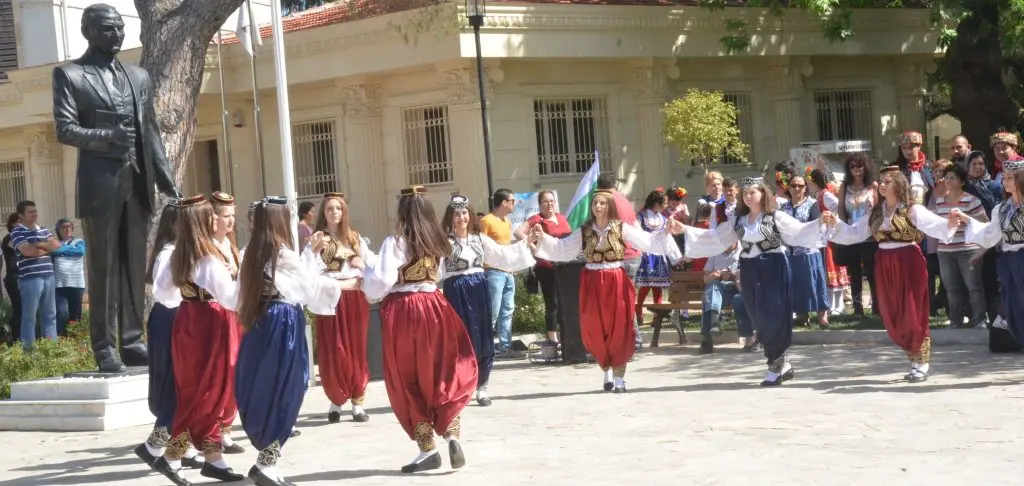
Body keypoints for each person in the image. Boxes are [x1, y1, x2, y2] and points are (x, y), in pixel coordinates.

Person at [52, 4, 180, 372]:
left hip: (137, 181)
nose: (118, 35)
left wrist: (165, 176)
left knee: (133, 264)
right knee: (104, 267)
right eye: (109, 29)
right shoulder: (70, 75)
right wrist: (108, 136)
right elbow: (65, 129)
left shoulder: (138, 76)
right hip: (100, 185)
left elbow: (150, 129)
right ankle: (104, 347)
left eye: (121, 28)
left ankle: (132, 340)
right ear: (88, 31)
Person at [362, 185, 478, 474]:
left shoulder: (396, 242)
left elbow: (381, 283)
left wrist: (365, 274)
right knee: (441, 371)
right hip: (435, 307)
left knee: (407, 378)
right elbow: (436, 276)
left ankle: (427, 447)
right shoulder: (437, 242)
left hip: (404, 311)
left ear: (402, 211)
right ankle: (452, 432)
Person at [234, 197, 343, 486]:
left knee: (267, 387)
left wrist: (309, 254)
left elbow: (238, 296)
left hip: (260, 322)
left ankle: (267, 460)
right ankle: (266, 463)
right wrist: (315, 256)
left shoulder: (249, 253)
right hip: (284, 323)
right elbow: (307, 289)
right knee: (290, 387)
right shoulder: (283, 253)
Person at [531, 189, 683, 392]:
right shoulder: (585, 230)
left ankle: (619, 378)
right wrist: (543, 239)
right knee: (594, 327)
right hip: (592, 281)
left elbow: (646, 241)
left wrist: (664, 232)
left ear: (609, 206)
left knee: (619, 327)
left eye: (602, 203)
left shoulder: (621, 228)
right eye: (595, 203)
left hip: (616, 280)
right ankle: (606, 371)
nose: (598, 206)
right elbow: (564, 248)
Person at [681, 177, 825, 386]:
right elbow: (715, 237)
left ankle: (775, 366)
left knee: (774, 315)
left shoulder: (776, 217)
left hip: (774, 268)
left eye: (752, 192)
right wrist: (684, 230)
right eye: (745, 193)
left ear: (763, 194)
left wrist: (821, 222)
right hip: (749, 269)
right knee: (758, 316)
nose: (748, 196)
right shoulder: (738, 221)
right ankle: (782, 364)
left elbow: (799, 232)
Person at [823, 165, 957, 383]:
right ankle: (914, 360)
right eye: (881, 181)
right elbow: (854, 233)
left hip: (908, 261)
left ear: (898, 184)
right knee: (891, 311)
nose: (881, 185)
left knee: (912, 309)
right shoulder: (875, 212)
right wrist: (835, 224)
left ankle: (922, 363)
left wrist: (950, 222)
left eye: (887, 182)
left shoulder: (912, 209)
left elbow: (936, 225)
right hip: (884, 262)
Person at [151, 194, 244, 484]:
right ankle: (172, 457)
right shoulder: (206, 255)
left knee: (198, 390)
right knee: (207, 392)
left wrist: (188, 295)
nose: (216, 219)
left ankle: (212, 458)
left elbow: (162, 293)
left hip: (187, 320)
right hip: (209, 323)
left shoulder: (181, 252)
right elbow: (230, 297)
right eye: (210, 215)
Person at [441, 194, 537, 406]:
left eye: (464, 213)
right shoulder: (444, 243)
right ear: (450, 218)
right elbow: (436, 270)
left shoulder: (480, 239)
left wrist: (525, 243)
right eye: (456, 214)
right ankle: (462, 386)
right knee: (460, 339)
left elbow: (502, 255)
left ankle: (482, 387)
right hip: (455, 291)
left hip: (478, 288)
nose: (461, 217)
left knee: (483, 336)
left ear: (470, 215)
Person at [134, 200, 204, 473]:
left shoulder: (177, 251)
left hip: (176, 318)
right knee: (178, 385)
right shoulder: (171, 253)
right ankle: (154, 444)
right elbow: (164, 292)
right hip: (172, 319)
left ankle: (181, 446)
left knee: (185, 386)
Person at [302, 192, 376, 423]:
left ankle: (358, 401)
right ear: (323, 213)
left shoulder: (355, 239)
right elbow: (308, 271)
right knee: (334, 349)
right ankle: (336, 399)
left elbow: (372, 265)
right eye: (329, 209)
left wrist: (363, 265)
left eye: (338, 209)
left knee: (355, 348)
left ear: (344, 212)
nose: (334, 212)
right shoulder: (318, 240)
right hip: (330, 301)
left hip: (354, 300)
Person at [955, 161, 1024, 348]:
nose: (1004, 180)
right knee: (1013, 304)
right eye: (1004, 177)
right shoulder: (1001, 209)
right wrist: (968, 220)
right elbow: (990, 234)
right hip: (1009, 260)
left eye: (1010, 177)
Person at [208, 191, 244, 455]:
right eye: (225, 216)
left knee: (233, 368)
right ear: (213, 218)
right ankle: (210, 428)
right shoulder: (207, 246)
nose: (230, 221)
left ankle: (226, 428)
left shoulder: (230, 246)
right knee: (216, 371)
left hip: (233, 313)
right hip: (214, 312)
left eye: (232, 216)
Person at [932, 163, 989, 329]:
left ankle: (979, 319)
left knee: (974, 287)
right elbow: (938, 226)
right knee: (951, 288)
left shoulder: (972, 201)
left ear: (961, 181)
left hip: (968, 250)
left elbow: (985, 224)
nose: (947, 181)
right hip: (945, 251)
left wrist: (966, 219)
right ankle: (955, 320)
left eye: (952, 178)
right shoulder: (940, 202)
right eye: (946, 177)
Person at [595, 173, 644, 351]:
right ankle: (631, 339)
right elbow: (636, 225)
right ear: (615, 185)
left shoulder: (605, 201)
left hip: (621, 256)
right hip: (634, 253)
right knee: (625, 299)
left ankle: (633, 340)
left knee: (622, 301)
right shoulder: (624, 200)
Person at [517, 190, 571, 344]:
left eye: (552, 201)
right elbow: (518, 232)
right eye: (545, 201)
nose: (549, 204)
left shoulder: (561, 218)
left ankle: (565, 334)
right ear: (539, 204)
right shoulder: (537, 219)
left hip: (565, 266)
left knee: (564, 302)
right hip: (546, 266)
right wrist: (533, 247)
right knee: (552, 302)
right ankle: (552, 337)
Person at [836, 152, 880, 318]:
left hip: (869, 235)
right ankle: (857, 308)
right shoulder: (844, 186)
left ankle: (876, 307)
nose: (856, 169)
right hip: (851, 234)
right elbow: (840, 207)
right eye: (852, 166)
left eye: (859, 165)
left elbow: (876, 210)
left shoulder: (873, 186)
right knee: (854, 272)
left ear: (865, 166)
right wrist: (843, 226)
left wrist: (875, 229)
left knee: (871, 272)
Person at [11, 200, 59, 351]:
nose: (34, 214)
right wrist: (47, 246)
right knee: (30, 317)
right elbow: (28, 252)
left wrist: (38, 245)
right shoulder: (16, 232)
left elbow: (57, 246)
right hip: (30, 279)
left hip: (49, 276)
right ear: (21, 215)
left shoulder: (43, 229)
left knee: (50, 316)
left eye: (35, 211)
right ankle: (29, 353)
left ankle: (50, 351)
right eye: (30, 212)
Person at [782, 175, 830, 328]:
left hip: (808, 251)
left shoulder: (812, 204)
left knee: (814, 283)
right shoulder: (784, 207)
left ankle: (822, 315)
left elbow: (816, 224)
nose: (796, 188)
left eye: (800, 186)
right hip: (791, 253)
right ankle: (802, 315)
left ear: (805, 188)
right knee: (797, 285)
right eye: (793, 185)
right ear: (788, 187)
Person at [479, 188, 522, 359]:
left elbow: (507, 246)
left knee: (507, 310)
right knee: (493, 312)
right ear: (503, 203)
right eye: (512, 201)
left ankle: (505, 347)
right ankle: (485, 349)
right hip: (493, 272)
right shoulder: (486, 221)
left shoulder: (507, 222)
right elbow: (480, 246)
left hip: (508, 271)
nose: (514, 204)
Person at [807, 168, 849, 315]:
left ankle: (837, 305)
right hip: (825, 236)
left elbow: (838, 205)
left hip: (829, 236)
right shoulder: (819, 195)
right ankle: (833, 305)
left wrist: (831, 220)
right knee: (830, 269)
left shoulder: (825, 194)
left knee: (832, 267)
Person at [634, 189, 673, 326]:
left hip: (658, 255)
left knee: (658, 286)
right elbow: (636, 233)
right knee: (646, 285)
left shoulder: (663, 218)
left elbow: (666, 235)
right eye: (665, 203)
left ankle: (658, 315)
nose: (666, 206)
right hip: (646, 254)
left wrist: (669, 228)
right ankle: (638, 311)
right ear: (657, 203)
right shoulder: (640, 216)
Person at [51, 218, 87, 336]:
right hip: (59, 284)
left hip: (77, 284)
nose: (67, 229)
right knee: (60, 312)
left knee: (75, 314)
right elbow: (52, 252)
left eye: (69, 227)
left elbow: (80, 252)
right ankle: (60, 337)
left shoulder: (79, 241)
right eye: (63, 227)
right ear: (59, 230)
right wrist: (64, 249)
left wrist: (60, 251)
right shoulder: (55, 243)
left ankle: (75, 338)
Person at [2, 213, 21, 344]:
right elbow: (21, 247)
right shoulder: (9, 237)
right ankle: (15, 339)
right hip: (14, 278)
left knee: (23, 309)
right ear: (13, 223)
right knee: (18, 309)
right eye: (19, 221)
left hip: (23, 276)